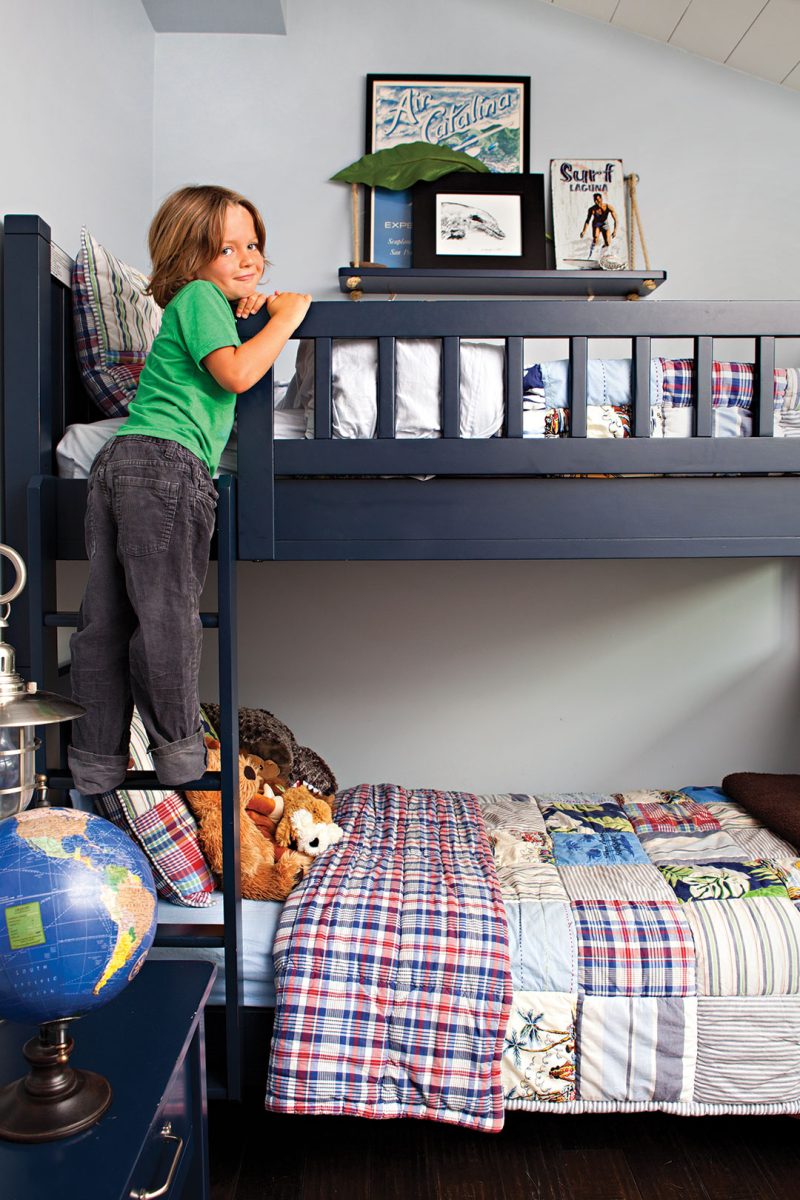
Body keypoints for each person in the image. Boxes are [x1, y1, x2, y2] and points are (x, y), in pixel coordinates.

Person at [68, 185, 311, 795]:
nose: (247, 258)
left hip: (120, 463)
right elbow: (237, 374)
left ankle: (95, 761)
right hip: (166, 468)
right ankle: (180, 760)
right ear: (188, 258)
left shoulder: (203, 305)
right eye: (227, 249)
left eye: (252, 244)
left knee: (104, 624)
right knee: (167, 618)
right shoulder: (200, 298)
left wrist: (247, 309)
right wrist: (286, 318)